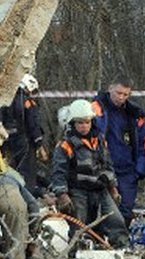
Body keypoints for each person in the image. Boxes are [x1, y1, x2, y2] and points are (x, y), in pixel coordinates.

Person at [49, 99, 128, 248]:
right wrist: (62, 195)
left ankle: (121, 252)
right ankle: (74, 257)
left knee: (116, 222)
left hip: (100, 190)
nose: (84, 126)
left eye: (87, 122)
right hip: (79, 192)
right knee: (78, 228)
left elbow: (107, 165)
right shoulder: (66, 145)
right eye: (80, 122)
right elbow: (58, 172)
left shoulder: (99, 139)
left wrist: (113, 188)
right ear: (73, 123)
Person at [91, 79, 145, 225]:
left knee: (126, 210)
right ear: (110, 89)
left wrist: (140, 169)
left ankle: (123, 240)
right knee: (105, 210)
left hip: (127, 169)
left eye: (126, 94)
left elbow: (143, 143)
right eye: (118, 93)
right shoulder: (96, 109)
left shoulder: (134, 113)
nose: (121, 97)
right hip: (103, 169)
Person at [0, 74, 45, 193]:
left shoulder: (4, 100)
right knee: (27, 173)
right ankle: (27, 199)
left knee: (8, 171)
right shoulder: (27, 102)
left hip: (6, 143)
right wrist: (39, 144)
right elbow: (33, 124)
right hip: (25, 142)